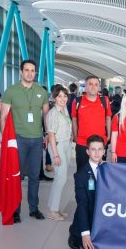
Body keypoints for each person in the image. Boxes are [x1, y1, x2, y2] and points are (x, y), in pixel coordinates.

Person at [0, 60, 50, 223]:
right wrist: (5, 141)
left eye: (33, 70)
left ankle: (34, 208)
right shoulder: (11, 91)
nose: (30, 73)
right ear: (21, 72)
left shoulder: (41, 92)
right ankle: (15, 209)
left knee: (35, 175)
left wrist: (47, 133)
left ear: (35, 73)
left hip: (36, 139)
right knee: (17, 176)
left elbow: (46, 115)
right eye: (27, 70)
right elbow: (4, 117)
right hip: (18, 138)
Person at [68, 134, 106, 249]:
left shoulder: (109, 170)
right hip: (89, 212)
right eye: (93, 149)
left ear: (104, 151)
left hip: (103, 213)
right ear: (87, 151)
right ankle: (75, 232)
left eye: (100, 149)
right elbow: (82, 205)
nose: (97, 153)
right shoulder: (81, 176)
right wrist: (85, 233)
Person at [71, 75, 112, 170]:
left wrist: (108, 135)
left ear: (99, 87)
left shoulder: (105, 100)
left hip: (100, 143)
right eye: (90, 84)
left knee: (99, 172)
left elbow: (108, 118)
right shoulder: (77, 101)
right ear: (85, 86)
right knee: (82, 172)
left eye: (96, 84)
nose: (93, 87)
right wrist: (75, 137)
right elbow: (74, 120)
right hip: (82, 143)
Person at [45, 85, 72, 221]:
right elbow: (51, 135)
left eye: (65, 96)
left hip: (66, 145)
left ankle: (53, 206)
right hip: (58, 146)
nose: (63, 99)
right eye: (60, 96)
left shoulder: (65, 109)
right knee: (60, 178)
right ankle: (53, 211)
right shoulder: (53, 113)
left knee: (60, 178)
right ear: (54, 98)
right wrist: (55, 155)